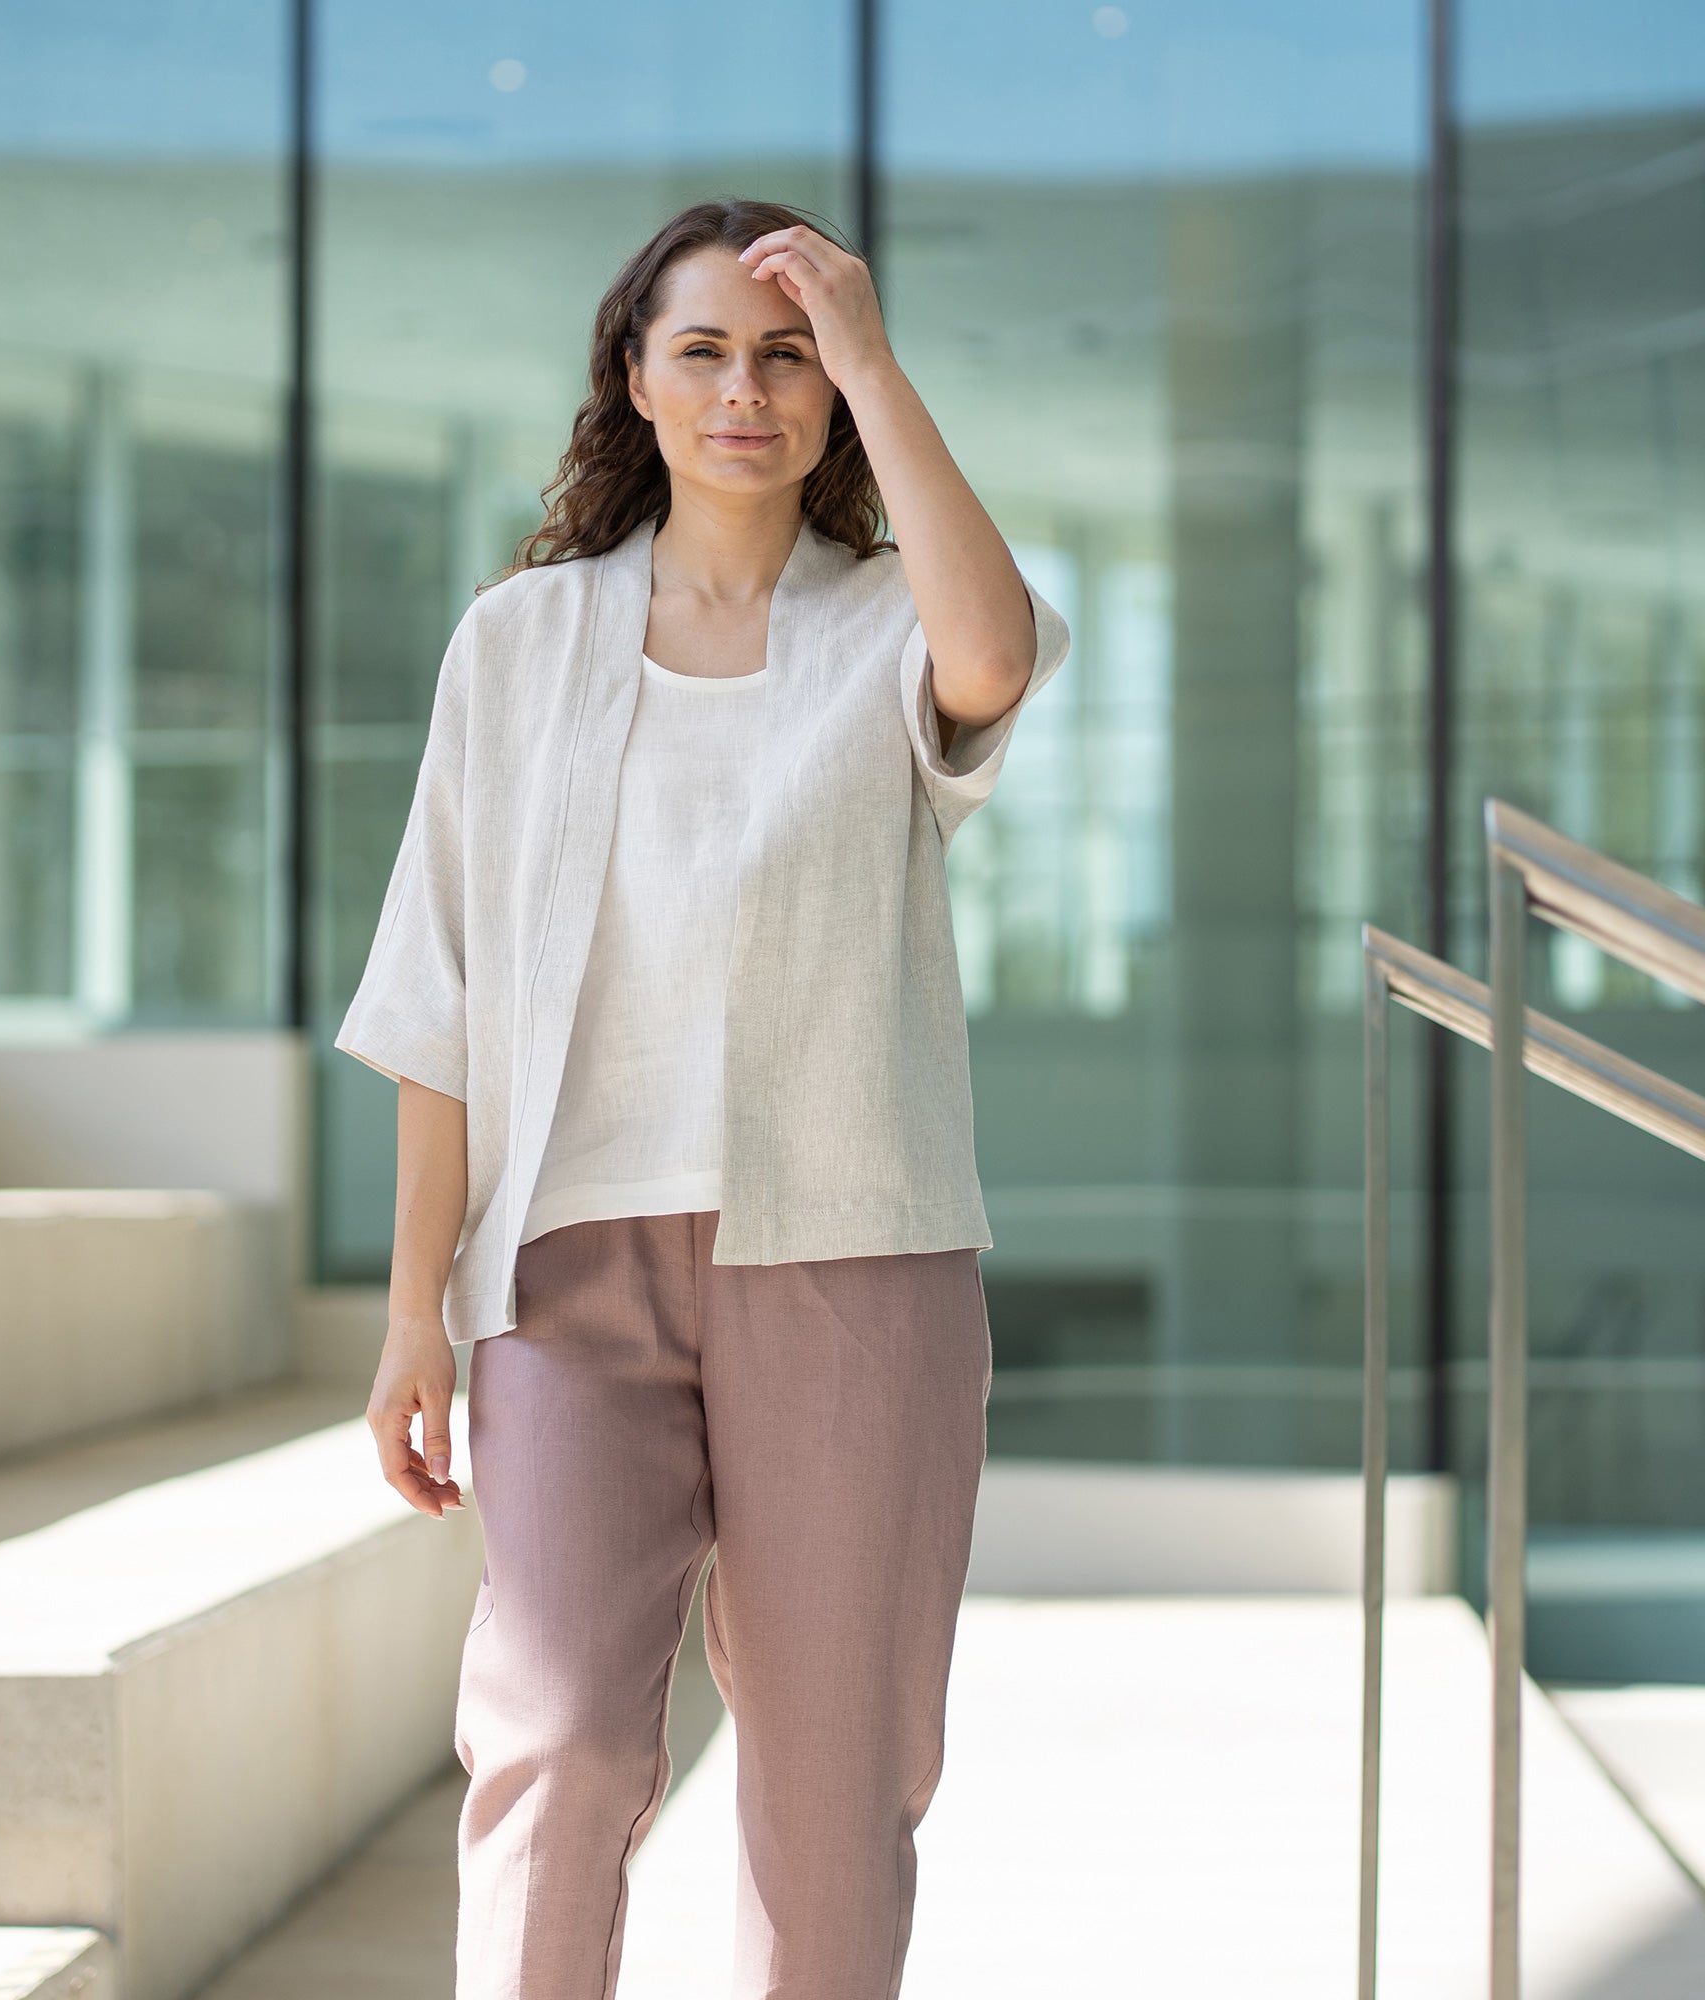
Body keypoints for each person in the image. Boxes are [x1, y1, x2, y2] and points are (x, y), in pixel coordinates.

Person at [335, 197, 1070, 2000]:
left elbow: (997, 662)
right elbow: (437, 993)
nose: (749, 389)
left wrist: (877, 349)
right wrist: (413, 1306)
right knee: (563, 1739)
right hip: (570, 1278)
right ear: (637, 385)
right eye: (706, 351)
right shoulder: (516, 645)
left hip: (855, 1257)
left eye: (789, 354)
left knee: (836, 1798)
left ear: (831, 395)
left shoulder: (891, 622)